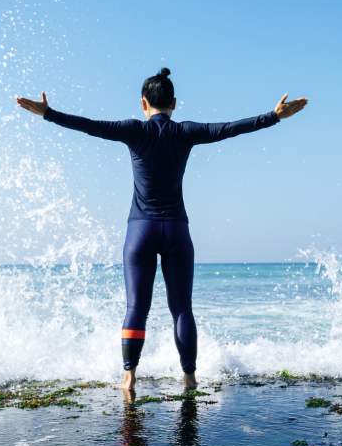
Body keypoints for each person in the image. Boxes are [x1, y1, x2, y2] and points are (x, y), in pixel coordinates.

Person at [16, 68, 307, 390]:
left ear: (144, 103)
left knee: (136, 307)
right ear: (174, 103)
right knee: (182, 308)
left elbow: (89, 127)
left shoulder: (133, 130)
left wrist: (49, 114)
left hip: (140, 231)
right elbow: (229, 129)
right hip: (177, 232)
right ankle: (190, 376)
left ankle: (128, 378)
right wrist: (273, 116)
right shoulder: (185, 132)